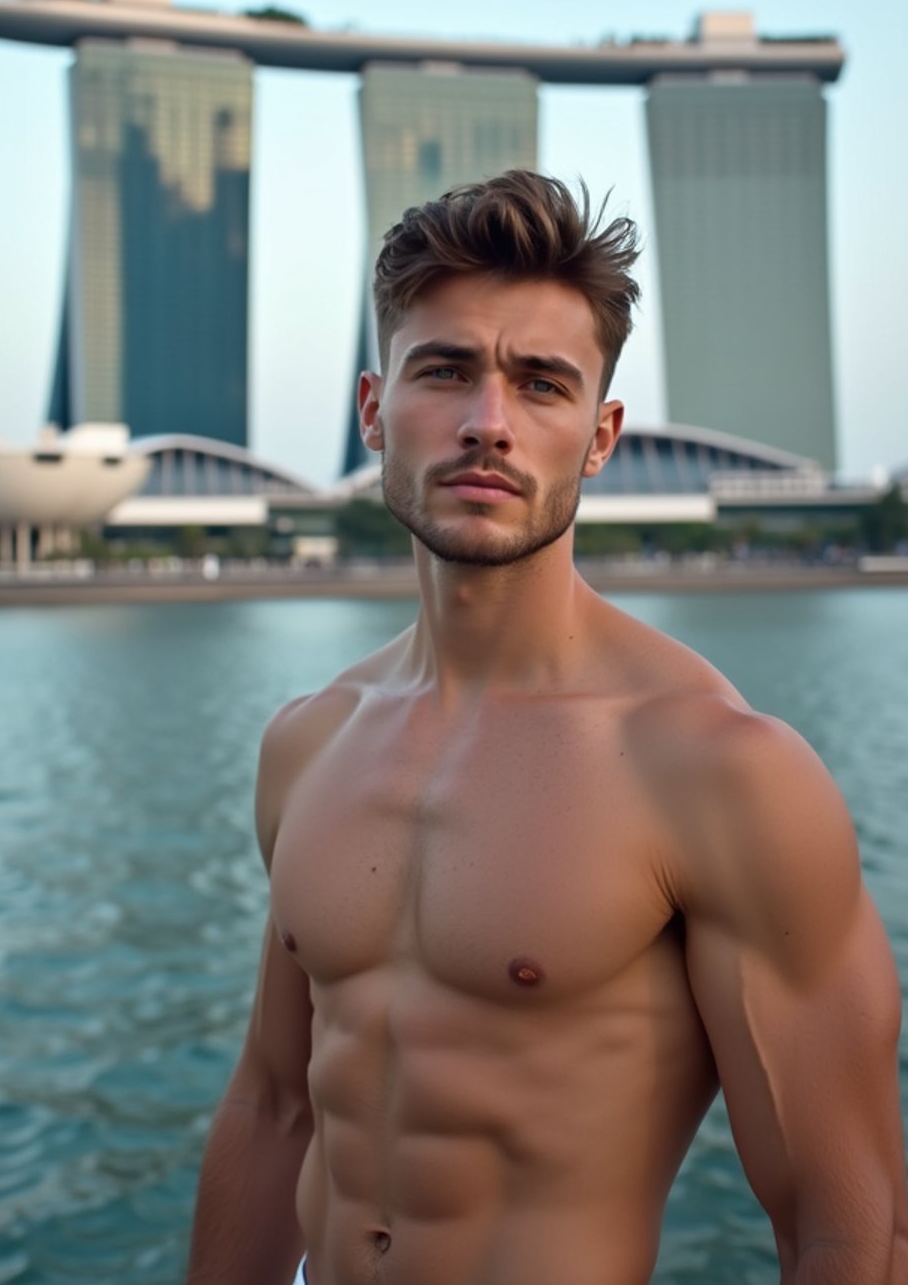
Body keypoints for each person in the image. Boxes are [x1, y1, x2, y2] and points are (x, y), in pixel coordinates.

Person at [187, 170, 908, 1285]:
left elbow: (846, 1225)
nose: (488, 423)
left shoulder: (715, 770)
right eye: (447, 371)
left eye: (540, 384)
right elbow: (275, 1108)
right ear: (375, 410)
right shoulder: (308, 742)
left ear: (601, 434)